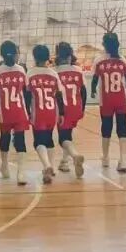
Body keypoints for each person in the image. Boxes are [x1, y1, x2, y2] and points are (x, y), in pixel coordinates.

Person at [90, 33, 126, 173]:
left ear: (104, 45)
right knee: (122, 127)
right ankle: (123, 160)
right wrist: (124, 90)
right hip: (121, 99)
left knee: (106, 127)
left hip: (106, 100)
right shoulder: (122, 60)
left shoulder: (99, 61)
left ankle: (106, 158)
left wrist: (93, 91)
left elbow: (94, 79)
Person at [26, 44, 66, 185]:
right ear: (48, 57)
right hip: (52, 112)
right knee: (49, 139)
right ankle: (52, 167)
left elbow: (27, 95)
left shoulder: (30, 74)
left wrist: (27, 112)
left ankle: (46, 165)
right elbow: (59, 95)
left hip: (38, 112)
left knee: (38, 141)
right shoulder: (53, 74)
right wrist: (62, 113)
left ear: (34, 57)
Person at [0, 40, 29, 184]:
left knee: (4, 137)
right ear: (16, 54)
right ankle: (21, 173)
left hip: (4, 111)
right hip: (19, 110)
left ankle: (5, 167)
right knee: (20, 140)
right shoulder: (21, 70)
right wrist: (29, 111)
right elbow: (26, 91)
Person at [54, 42, 87, 177]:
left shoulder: (55, 71)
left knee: (63, 138)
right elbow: (83, 91)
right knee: (68, 134)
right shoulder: (78, 70)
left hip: (62, 108)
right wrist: (83, 108)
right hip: (76, 107)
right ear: (70, 55)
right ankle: (64, 162)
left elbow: (56, 93)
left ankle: (74, 155)